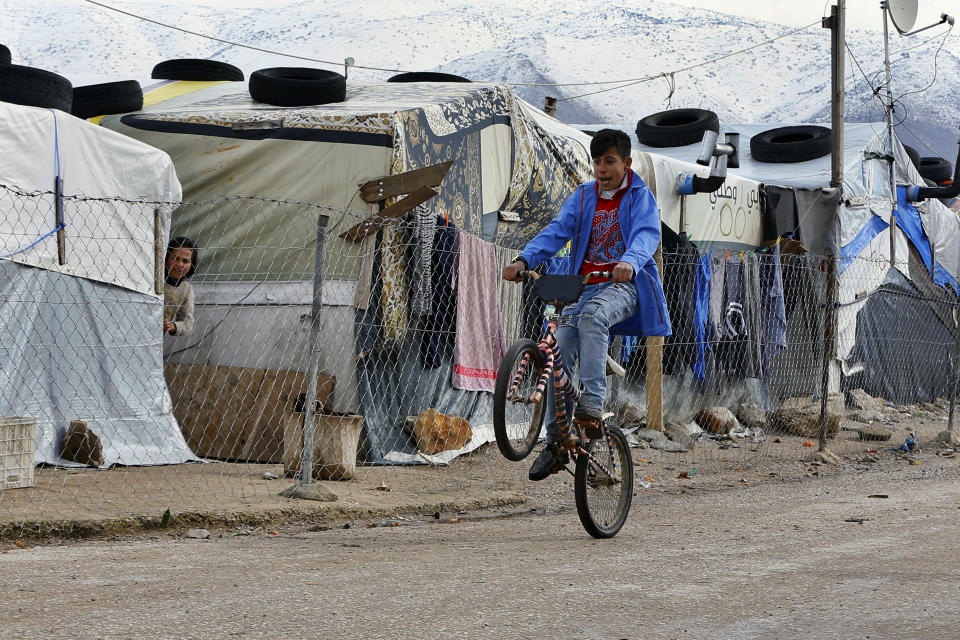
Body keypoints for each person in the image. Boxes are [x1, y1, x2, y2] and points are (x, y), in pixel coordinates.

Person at [501, 128, 671, 481]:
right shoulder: (582, 197)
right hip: (584, 288)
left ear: (626, 162)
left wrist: (630, 260)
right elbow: (556, 231)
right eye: (596, 161)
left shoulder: (640, 196)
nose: (601, 168)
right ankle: (555, 441)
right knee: (557, 349)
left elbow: (646, 234)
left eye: (609, 161)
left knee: (593, 317)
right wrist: (524, 260)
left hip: (626, 285)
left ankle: (593, 401)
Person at [163, 236, 198, 337]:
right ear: (165, 258)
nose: (180, 264)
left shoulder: (186, 289)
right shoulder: (153, 278)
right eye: (175, 258)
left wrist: (172, 326)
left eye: (185, 261)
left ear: (192, 264)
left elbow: (187, 324)